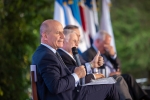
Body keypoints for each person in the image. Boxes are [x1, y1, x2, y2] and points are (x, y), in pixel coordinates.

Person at [31, 19, 120, 100]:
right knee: (110, 86)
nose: (63, 36)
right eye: (58, 33)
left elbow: (64, 73)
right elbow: (56, 87)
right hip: (69, 96)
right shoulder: (47, 55)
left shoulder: (46, 52)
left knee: (109, 83)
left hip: (70, 93)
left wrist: (90, 65)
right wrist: (77, 75)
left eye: (62, 32)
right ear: (45, 36)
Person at [58, 25, 133, 100]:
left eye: (78, 39)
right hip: (78, 90)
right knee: (113, 82)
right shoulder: (61, 55)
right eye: (74, 41)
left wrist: (94, 65)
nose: (77, 44)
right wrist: (93, 72)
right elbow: (74, 72)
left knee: (118, 80)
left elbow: (85, 67)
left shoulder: (74, 54)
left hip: (87, 83)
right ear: (64, 41)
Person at [82, 30, 150, 100]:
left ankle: (144, 98)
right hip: (103, 79)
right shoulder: (88, 54)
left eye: (109, 44)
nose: (108, 46)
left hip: (114, 77)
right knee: (125, 78)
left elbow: (119, 65)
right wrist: (109, 74)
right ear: (98, 41)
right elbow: (91, 73)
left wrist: (113, 55)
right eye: (106, 43)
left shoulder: (106, 52)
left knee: (128, 78)